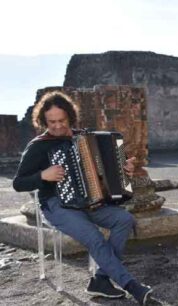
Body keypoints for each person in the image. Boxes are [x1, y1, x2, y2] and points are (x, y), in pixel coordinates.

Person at [13, 91, 154, 305]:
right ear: (43, 121)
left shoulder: (86, 138)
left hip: (91, 203)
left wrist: (126, 169)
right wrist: (43, 175)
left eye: (62, 120)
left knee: (123, 219)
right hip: (57, 205)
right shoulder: (38, 146)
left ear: (70, 117)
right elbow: (19, 182)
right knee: (94, 237)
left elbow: (113, 169)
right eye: (52, 122)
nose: (58, 126)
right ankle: (132, 286)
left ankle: (100, 279)